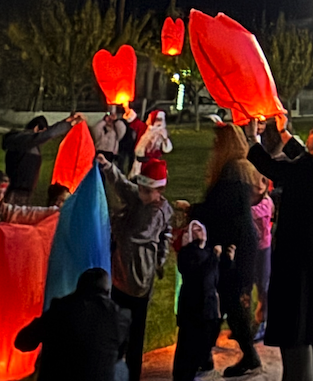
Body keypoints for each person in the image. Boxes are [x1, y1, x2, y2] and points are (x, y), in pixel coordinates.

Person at [248, 115, 313, 381]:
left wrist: (252, 138)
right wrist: (282, 133)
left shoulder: (308, 169)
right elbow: (303, 157)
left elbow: (275, 168)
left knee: (296, 328)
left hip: (298, 260)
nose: (312, 131)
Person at [189, 123, 261, 378]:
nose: (214, 146)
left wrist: (191, 210)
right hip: (238, 243)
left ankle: (249, 357)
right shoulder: (240, 170)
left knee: (230, 302)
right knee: (225, 301)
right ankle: (204, 355)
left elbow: (218, 208)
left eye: (218, 142)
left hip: (235, 247)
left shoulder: (231, 171)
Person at [97, 153, 173, 381]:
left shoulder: (156, 211)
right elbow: (123, 185)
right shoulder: (140, 198)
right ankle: (115, 366)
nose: (141, 194)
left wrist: (111, 223)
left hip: (139, 279)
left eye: (147, 191)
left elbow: (137, 235)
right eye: (140, 189)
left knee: (134, 331)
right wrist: (108, 166)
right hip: (120, 275)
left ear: (158, 192)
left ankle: (132, 373)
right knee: (117, 325)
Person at [14, 267, 130, 381]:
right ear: (107, 291)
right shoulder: (120, 317)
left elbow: (22, 342)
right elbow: (119, 354)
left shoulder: (60, 309)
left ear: (78, 288)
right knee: (121, 367)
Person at [173, 219, 233, 381]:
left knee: (207, 339)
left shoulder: (208, 252)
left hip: (209, 307)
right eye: (195, 229)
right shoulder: (187, 253)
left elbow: (217, 275)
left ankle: (202, 362)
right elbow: (198, 274)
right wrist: (215, 257)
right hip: (193, 308)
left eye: (201, 229)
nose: (199, 231)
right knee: (188, 346)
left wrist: (227, 260)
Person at [2, 112, 81, 203]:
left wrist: (67, 121)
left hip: (24, 191)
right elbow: (47, 135)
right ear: (36, 128)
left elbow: (47, 133)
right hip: (16, 191)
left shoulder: (26, 143)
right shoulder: (22, 141)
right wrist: (69, 124)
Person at [252, 172, 275, 343]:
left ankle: (262, 323)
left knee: (263, 286)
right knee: (246, 286)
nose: (260, 184)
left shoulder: (266, 203)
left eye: (263, 180)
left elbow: (254, 213)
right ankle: (247, 325)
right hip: (251, 250)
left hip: (263, 250)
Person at [130, 109, 173, 176]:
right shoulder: (144, 128)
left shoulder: (162, 133)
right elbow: (134, 121)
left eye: (160, 120)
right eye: (157, 119)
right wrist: (126, 107)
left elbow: (166, 149)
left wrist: (165, 139)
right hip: (139, 164)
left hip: (152, 166)